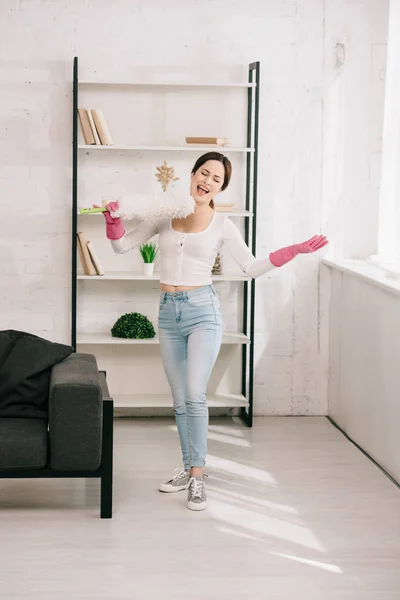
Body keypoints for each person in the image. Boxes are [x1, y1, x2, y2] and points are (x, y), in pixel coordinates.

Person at [98, 151, 328, 512]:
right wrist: (112, 221)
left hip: (203, 313)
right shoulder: (165, 215)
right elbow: (122, 245)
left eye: (216, 179)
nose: (207, 181)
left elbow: (251, 267)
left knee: (195, 394)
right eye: (203, 173)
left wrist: (293, 251)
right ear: (191, 175)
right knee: (178, 399)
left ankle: (199, 477)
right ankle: (189, 468)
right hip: (168, 314)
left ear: (220, 188)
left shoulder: (223, 225)